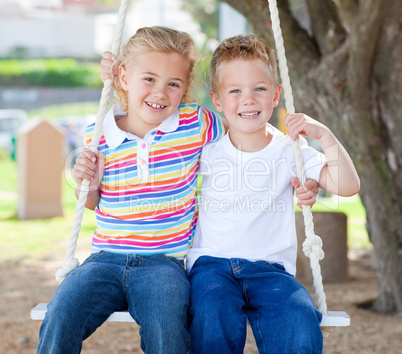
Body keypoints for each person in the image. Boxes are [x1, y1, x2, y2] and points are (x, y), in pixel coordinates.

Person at [37, 26, 226, 354]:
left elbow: (243, 125)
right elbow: (93, 202)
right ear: (123, 77)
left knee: (167, 329)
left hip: (163, 263)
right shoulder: (99, 132)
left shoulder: (195, 123)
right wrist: (87, 181)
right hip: (104, 260)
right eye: (148, 79)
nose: (160, 92)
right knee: (60, 313)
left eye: (173, 84)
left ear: (185, 89)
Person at [186, 34, 360, 353]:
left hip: (270, 269)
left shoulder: (290, 150)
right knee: (212, 315)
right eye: (235, 91)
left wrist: (325, 134)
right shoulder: (204, 151)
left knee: (299, 321)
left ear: (276, 94)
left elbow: (347, 186)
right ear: (218, 101)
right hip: (212, 265)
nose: (248, 99)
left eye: (259, 89)